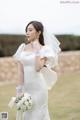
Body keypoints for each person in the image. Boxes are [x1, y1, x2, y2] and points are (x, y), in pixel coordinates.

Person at [13, 21, 61, 120]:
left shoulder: (45, 49)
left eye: (30, 30)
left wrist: (37, 51)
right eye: (26, 30)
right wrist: (19, 90)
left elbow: (38, 67)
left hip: (39, 88)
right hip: (27, 88)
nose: (27, 33)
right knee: (27, 115)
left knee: (38, 114)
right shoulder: (22, 48)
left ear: (39, 32)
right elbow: (21, 71)